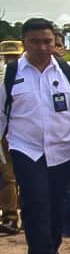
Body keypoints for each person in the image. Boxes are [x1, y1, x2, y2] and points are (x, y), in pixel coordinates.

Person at [0, 18, 70, 254]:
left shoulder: (68, 72)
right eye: (35, 42)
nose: (43, 47)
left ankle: (52, 247)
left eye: (48, 42)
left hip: (62, 147)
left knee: (57, 204)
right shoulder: (11, 75)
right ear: (24, 43)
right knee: (35, 204)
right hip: (26, 148)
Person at [52, 28, 70, 239]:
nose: (52, 48)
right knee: (41, 196)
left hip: (67, 141)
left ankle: (69, 223)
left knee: (69, 188)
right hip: (28, 147)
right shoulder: (14, 72)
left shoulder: (69, 71)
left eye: (56, 44)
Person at [0, 40, 24, 235]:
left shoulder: (21, 72)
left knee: (22, 176)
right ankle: (10, 216)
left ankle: (22, 215)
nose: (10, 60)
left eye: (14, 56)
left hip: (23, 134)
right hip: (4, 133)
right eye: (7, 57)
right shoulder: (4, 76)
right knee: (8, 176)